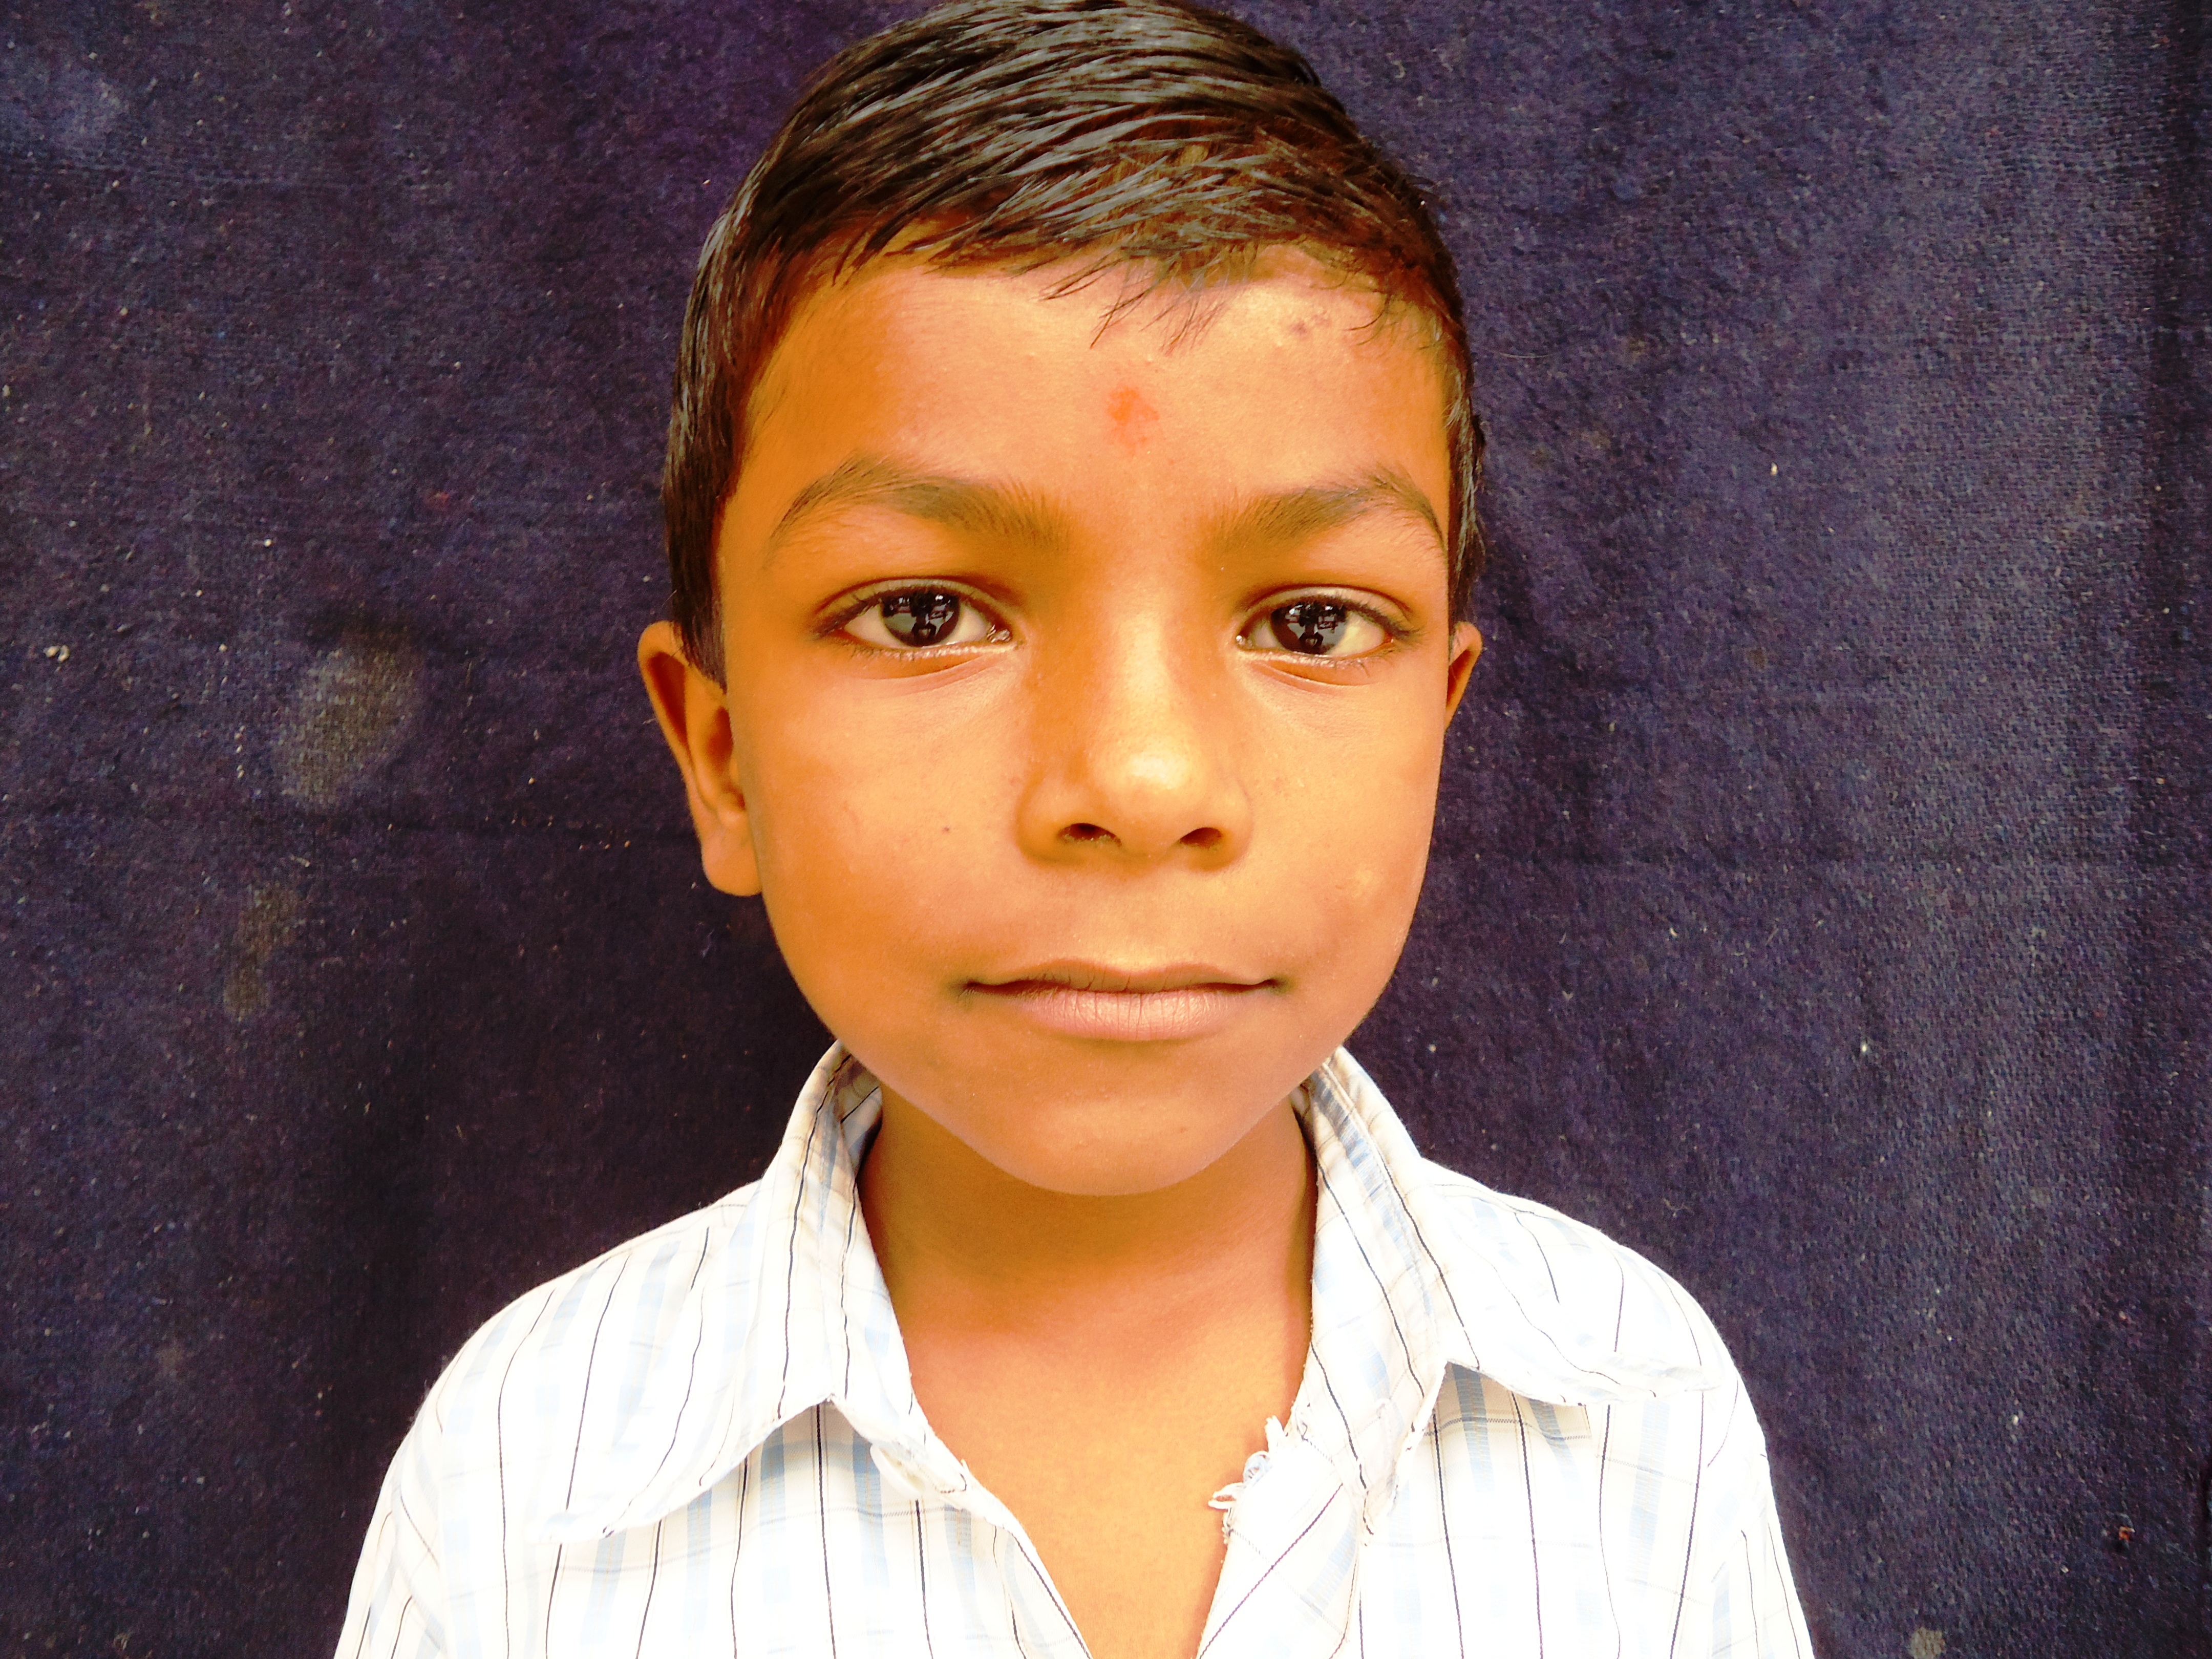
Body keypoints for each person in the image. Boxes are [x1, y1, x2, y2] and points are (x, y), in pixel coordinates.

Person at [336, 2, 1814, 1654]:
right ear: (723, 759)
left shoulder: (1632, 1424)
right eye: (923, 614)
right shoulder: (530, 1484)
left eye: (1312, 624)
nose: (1140, 780)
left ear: (1441, 727)